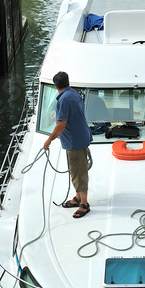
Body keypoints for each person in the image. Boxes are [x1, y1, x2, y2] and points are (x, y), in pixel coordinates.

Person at [43, 71, 92, 218]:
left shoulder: (63, 100)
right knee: (78, 170)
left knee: (78, 173)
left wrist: (49, 140)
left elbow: (61, 125)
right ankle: (78, 197)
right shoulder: (75, 94)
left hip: (74, 142)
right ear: (67, 82)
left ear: (56, 86)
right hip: (81, 137)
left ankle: (84, 204)